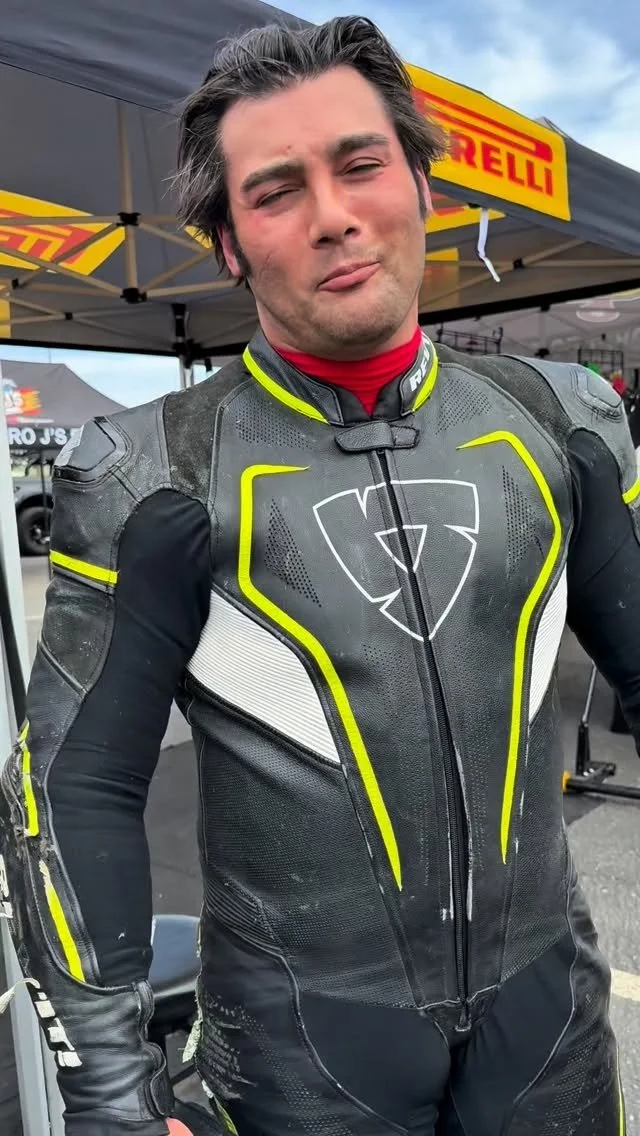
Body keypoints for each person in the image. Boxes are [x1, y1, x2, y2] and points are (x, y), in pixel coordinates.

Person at [1, 15, 639, 1136]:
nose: (333, 214)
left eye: (360, 164)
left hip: (550, 1026)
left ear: (421, 186)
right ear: (229, 245)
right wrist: (112, 1097)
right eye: (276, 190)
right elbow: (70, 789)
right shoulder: (153, 471)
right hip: (298, 1059)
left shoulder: (562, 422)